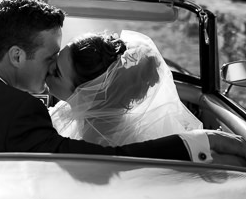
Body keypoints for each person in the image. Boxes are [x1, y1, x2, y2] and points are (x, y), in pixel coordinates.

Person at [0, 0, 246, 166]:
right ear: (16, 55)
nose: (51, 67)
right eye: (48, 59)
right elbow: (107, 161)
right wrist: (199, 142)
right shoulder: (19, 112)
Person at [47, 30, 203, 147]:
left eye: (57, 73)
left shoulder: (98, 143)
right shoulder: (85, 116)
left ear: (86, 93)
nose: (48, 70)